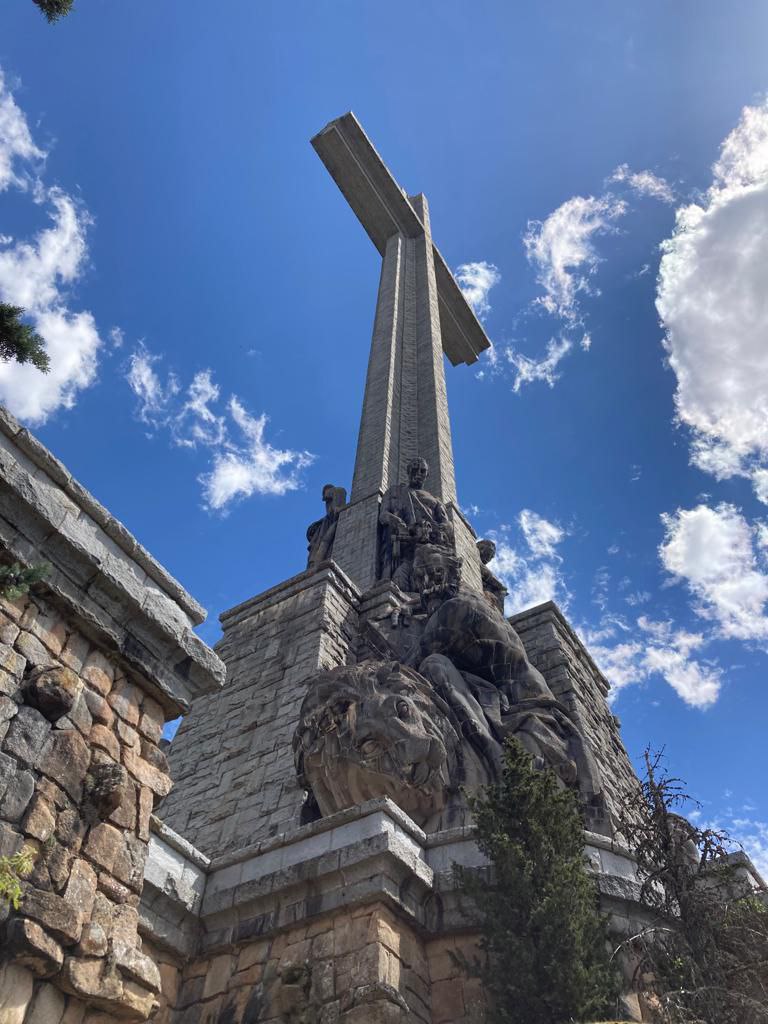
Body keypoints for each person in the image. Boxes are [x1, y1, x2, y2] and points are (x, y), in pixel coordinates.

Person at [379, 457, 454, 590]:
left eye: (422, 471)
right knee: (400, 577)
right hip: (404, 543)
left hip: (428, 546)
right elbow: (383, 515)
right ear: (408, 471)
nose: (418, 473)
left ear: (427, 475)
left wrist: (446, 527)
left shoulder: (435, 501)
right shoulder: (395, 492)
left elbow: (446, 524)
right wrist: (397, 522)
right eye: (414, 469)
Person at [306, 484, 346, 569]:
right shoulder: (323, 522)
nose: (324, 499)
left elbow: (335, 508)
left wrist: (337, 509)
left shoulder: (338, 490)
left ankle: (315, 565)